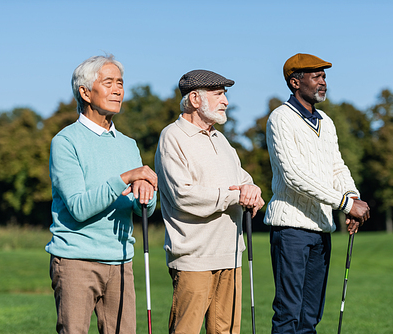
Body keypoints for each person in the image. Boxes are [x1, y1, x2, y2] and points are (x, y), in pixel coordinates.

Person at [45, 54, 157, 334]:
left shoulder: (129, 145)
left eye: (120, 83)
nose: (118, 89)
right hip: (75, 262)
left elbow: (146, 208)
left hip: (121, 260)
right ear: (85, 92)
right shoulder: (65, 142)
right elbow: (79, 207)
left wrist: (147, 193)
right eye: (109, 83)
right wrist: (127, 178)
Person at [264, 53, 370, 333]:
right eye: (317, 76)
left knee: (310, 316)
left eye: (324, 77)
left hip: (321, 227)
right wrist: (345, 204)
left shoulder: (326, 121)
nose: (323, 82)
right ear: (295, 82)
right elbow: (294, 176)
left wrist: (352, 196)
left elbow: (337, 167)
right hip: (290, 228)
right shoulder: (281, 118)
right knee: (289, 314)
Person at [155, 69, 265, 334]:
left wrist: (253, 191)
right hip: (194, 258)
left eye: (224, 94)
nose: (225, 101)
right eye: (218, 94)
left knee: (226, 331)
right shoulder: (172, 137)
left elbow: (244, 180)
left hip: (231, 255)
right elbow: (183, 195)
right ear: (194, 99)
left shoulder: (222, 140)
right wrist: (235, 195)